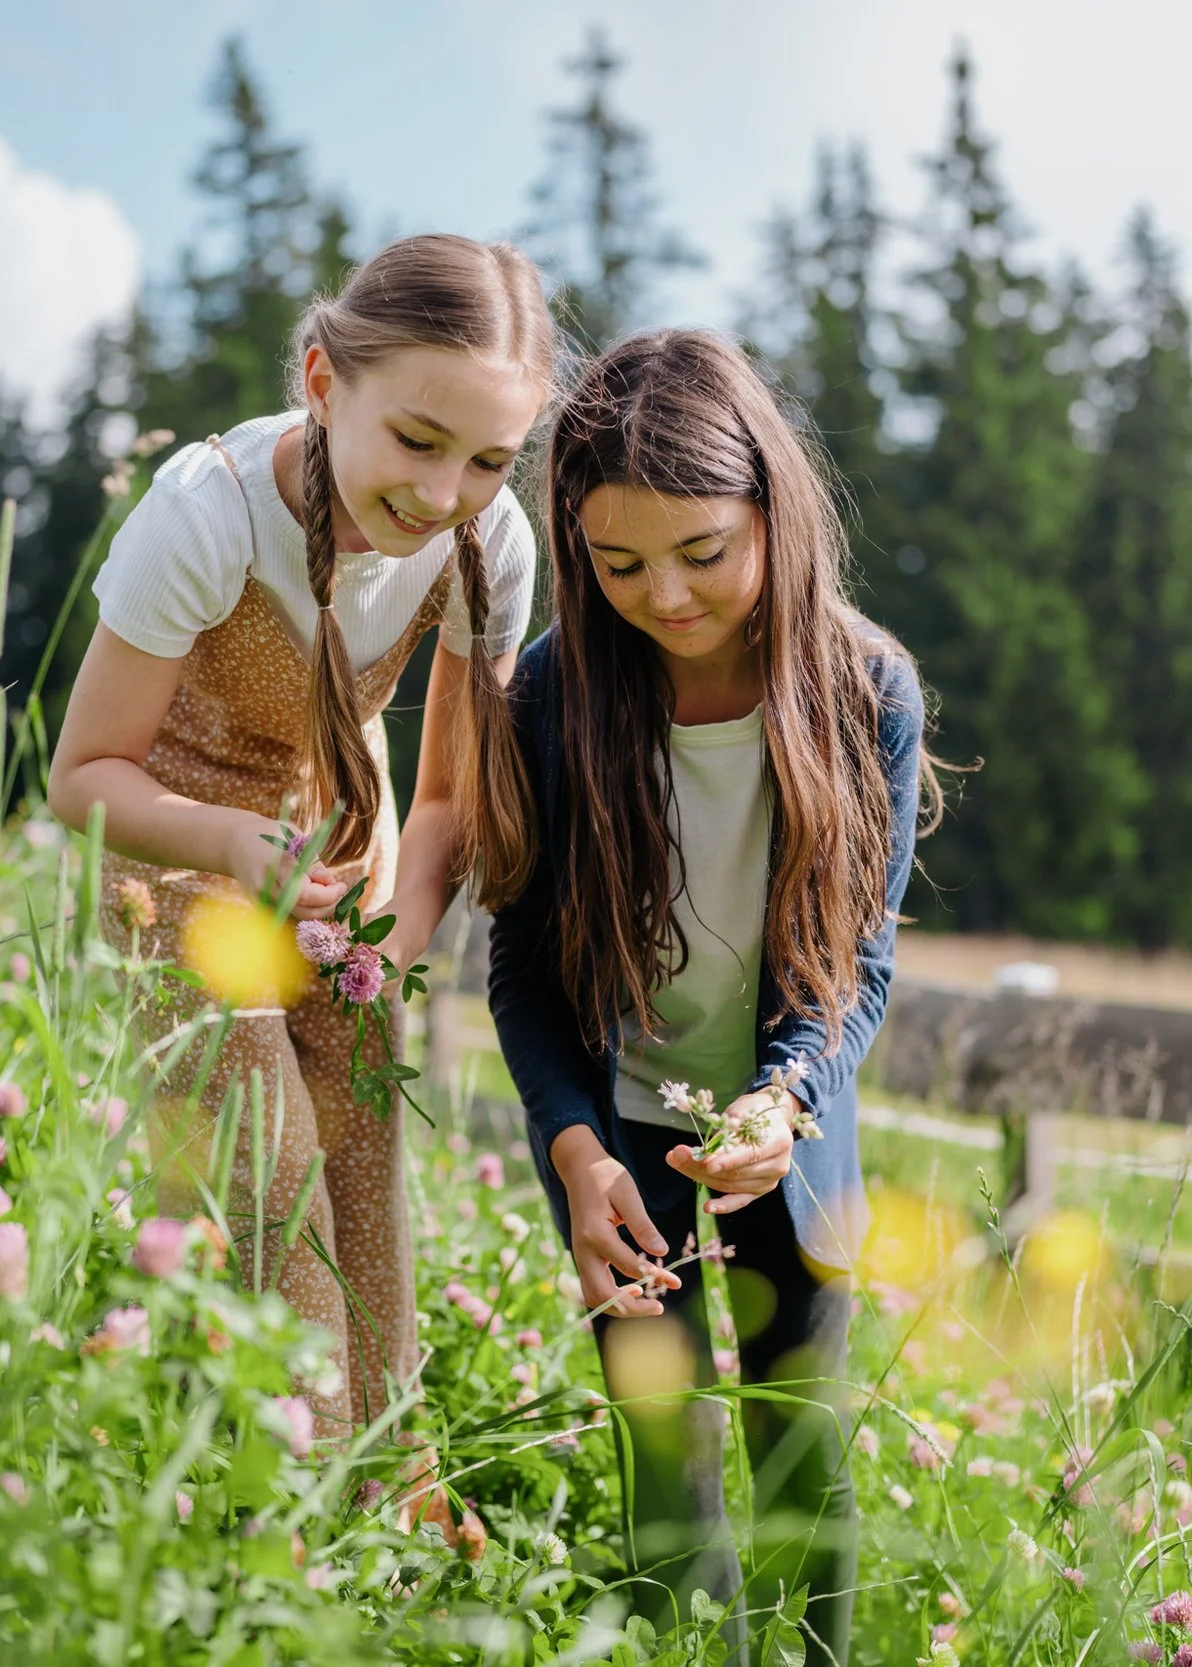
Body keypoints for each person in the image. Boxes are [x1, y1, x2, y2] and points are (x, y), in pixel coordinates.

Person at [46, 234, 554, 1431]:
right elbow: (81, 776)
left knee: (362, 1162)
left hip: (341, 844)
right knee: (266, 1175)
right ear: (324, 382)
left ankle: (384, 1474)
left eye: (489, 459)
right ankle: (290, 1492)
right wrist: (232, 845)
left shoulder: (490, 544)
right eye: (417, 439)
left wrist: (399, 937)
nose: (443, 492)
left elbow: (447, 793)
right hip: (177, 851)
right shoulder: (205, 515)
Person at [483, 329, 936, 1665]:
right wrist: (575, 1151)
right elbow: (523, 963)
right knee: (664, 1481)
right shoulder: (554, 689)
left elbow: (856, 963)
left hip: (789, 1142)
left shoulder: (867, 689)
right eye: (618, 564)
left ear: (772, 513)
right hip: (616, 1136)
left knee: (802, 1459)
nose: (663, 595)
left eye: (702, 552)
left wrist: (784, 1099)